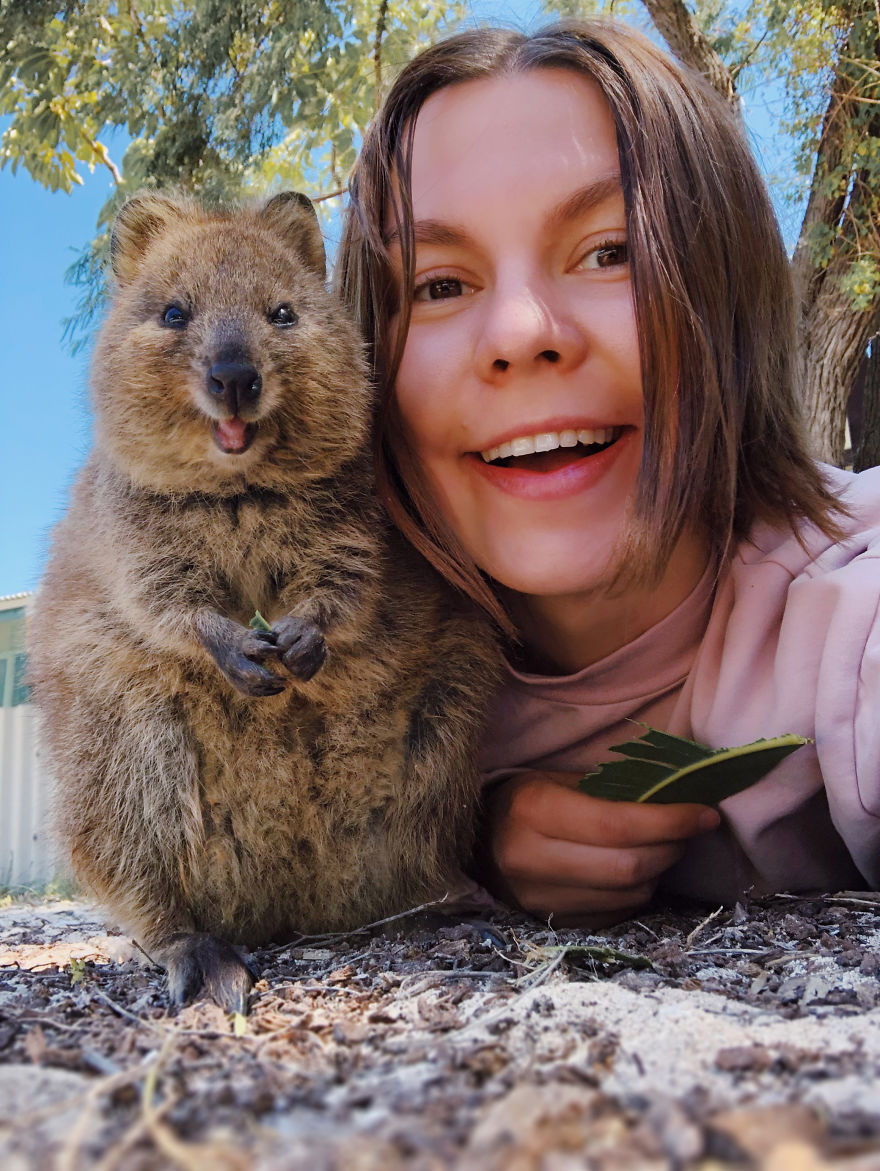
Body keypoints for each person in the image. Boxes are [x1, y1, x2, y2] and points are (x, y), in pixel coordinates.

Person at [335, 19, 880, 925]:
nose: (520, 332)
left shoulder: (847, 615)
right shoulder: (343, 670)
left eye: (610, 251)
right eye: (439, 285)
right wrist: (465, 829)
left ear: (728, 292)